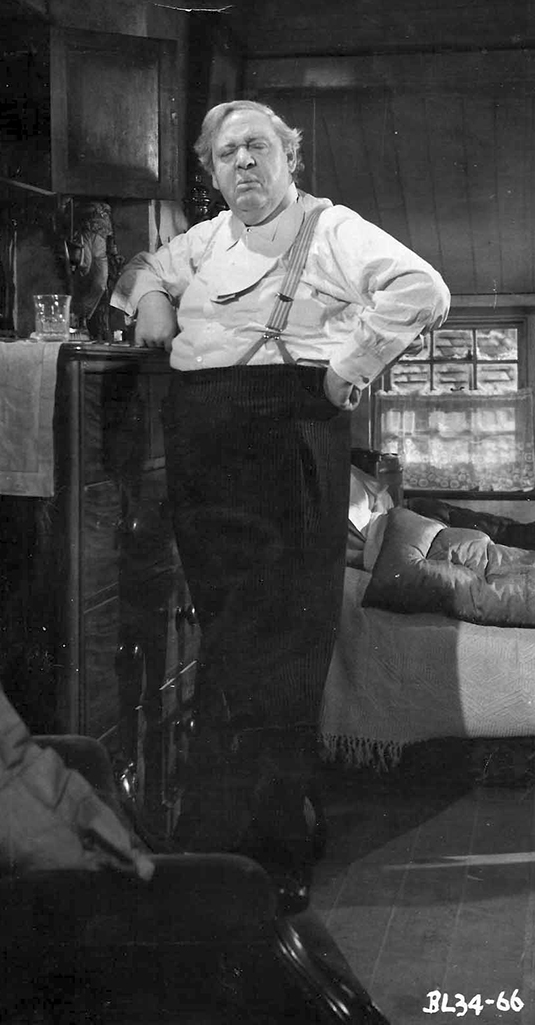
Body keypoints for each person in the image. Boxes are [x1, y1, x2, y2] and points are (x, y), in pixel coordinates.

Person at [110, 99, 450, 912]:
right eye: (226, 154)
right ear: (211, 172)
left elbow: (423, 287)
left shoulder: (330, 229)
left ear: (289, 156)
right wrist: (150, 298)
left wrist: (350, 366)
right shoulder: (208, 239)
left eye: (257, 147)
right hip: (202, 443)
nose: (243, 163)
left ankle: (256, 851)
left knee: (279, 645)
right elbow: (143, 267)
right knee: (232, 637)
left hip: (284, 438)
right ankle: (256, 831)